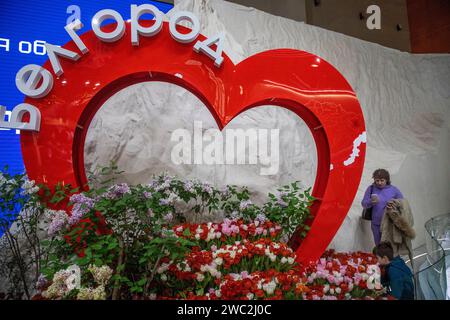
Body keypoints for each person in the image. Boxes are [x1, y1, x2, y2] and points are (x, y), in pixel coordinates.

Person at [361, 169, 404, 245]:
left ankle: (393, 257)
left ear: (387, 180)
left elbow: (402, 203)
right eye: (377, 180)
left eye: (382, 180)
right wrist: (371, 202)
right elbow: (364, 203)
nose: (379, 183)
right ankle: (380, 256)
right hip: (376, 224)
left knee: (391, 245)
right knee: (379, 245)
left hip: (390, 223)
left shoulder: (393, 190)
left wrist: (393, 203)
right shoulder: (371, 189)